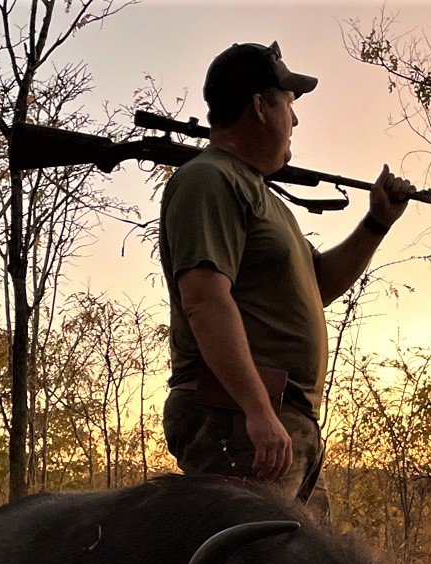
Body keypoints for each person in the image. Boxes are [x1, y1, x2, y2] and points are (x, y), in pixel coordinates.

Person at [159, 41, 416, 513]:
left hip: (271, 418)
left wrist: (377, 222)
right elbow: (205, 301)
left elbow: (317, 287)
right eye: (289, 106)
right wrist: (257, 409)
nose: (295, 122)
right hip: (235, 418)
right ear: (260, 107)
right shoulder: (209, 179)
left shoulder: (264, 198)